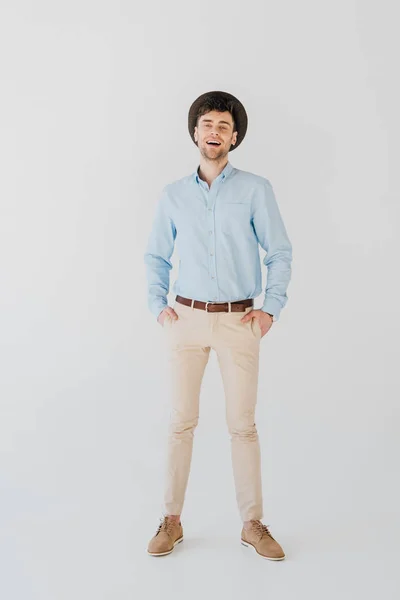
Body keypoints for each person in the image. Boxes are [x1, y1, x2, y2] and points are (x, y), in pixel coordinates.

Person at [143, 90, 292, 560]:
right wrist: (158, 304)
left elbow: (280, 251)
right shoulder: (173, 195)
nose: (215, 132)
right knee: (180, 423)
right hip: (185, 319)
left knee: (242, 426)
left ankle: (252, 524)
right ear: (195, 131)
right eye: (208, 123)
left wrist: (270, 307)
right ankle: (171, 520)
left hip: (238, 321)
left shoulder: (255, 190)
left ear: (235, 136)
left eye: (224, 126)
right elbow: (155, 255)